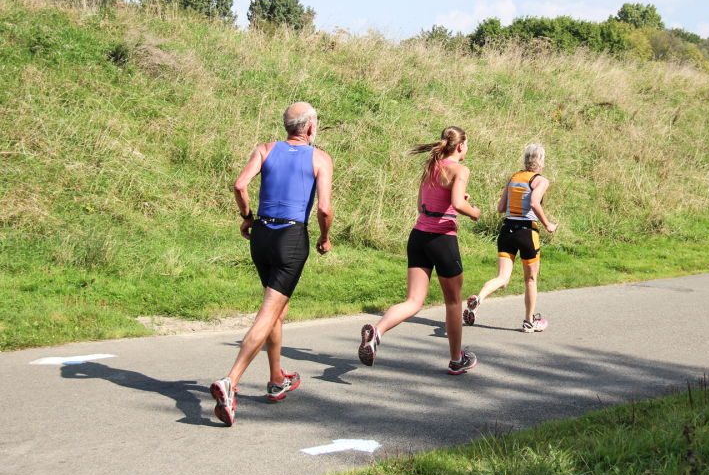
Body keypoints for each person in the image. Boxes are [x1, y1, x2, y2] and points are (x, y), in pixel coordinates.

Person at [210, 102, 333, 426]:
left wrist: (247, 218)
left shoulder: (265, 149)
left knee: (277, 307)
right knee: (268, 312)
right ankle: (230, 381)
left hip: (262, 234)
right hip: (291, 240)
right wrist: (324, 237)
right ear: (309, 128)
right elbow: (324, 209)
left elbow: (240, 185)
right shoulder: (320, 158)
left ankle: (277, 378)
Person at [358, 127, 481, 374]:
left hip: (418, 236)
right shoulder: (460, 169)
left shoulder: (430, 167)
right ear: (460, 146)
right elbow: (457, 204)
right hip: (442, 239)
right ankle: (456, 360)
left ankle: (377, 333)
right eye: (467, 144)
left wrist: (456, 199)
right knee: (454, 302)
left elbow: (421, 205)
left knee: (413, 301)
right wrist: (475, 211)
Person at [462, 143, 557, 333]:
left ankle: (478, 298)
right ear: (541, 161)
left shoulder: (513, 178)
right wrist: (547, 224)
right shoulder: (541, 181)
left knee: (502, 278)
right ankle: (529, 322)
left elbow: (500, 209)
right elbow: (534, 202)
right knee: (530, 280)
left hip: (507, 231)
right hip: (527, 232)